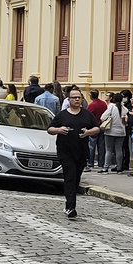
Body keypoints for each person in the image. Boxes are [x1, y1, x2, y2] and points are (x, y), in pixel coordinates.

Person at [47, 88, 101, 218]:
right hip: (65, 151)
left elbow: (97, 128)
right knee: (70, 177)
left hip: (81, 152)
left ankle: (70, 203)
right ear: (69, 100)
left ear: (82, 99)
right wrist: (59, 130)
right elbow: (50, 129)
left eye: (79, 97)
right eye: (74, 97)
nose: (77, 99)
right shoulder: (62, 115)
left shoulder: (87, 114)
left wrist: (88, 132)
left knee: (76, 179)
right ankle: (71, 207)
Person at [100, 93, 127, 174]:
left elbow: (102, 117)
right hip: (121, 132)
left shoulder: (111, 106)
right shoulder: (124, 109)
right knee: (119, 150)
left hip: (110, 131)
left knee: (108, 150)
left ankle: (105, 168)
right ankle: (119, 168)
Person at [86, 90, 107, 171]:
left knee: (92, 146)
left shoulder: (91, 105)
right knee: (101, 146)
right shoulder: (103, 104)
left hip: (93, 127)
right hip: (101, 126)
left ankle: (90, 162)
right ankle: (101, 163)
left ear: (91, 96)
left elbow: (87, 116)